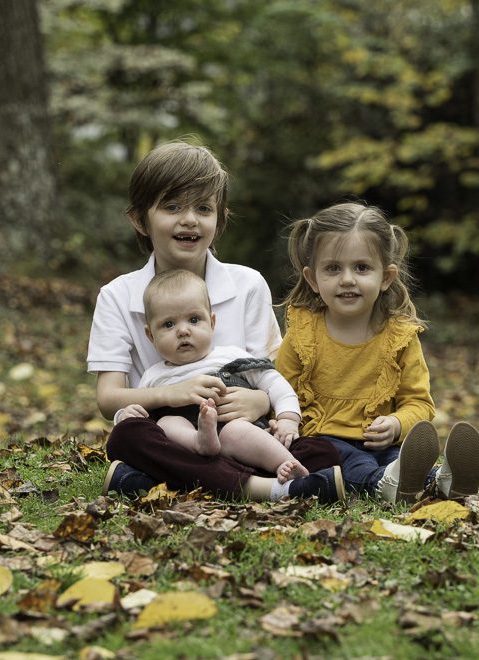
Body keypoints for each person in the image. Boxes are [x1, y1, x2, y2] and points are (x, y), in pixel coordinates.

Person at [88, 140, 342, 502]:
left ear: (220, 219)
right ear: (139, 220)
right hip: (172, 437)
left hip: (241, 432)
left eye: (203, 208)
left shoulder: (247, 284)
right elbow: (108, 398)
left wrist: (258, 402)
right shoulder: (118, 295)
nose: (189, 219)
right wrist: (171, 393)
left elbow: (271, 373)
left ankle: (147, 483)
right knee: (129, 437)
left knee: (323, 451)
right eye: (172, 206)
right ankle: (265, 488)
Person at [275, 201, 479, 503]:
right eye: (333, 268)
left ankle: (443, 480)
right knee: (350, 463)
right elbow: (280, 389)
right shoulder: (304, 332)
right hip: (323, 439)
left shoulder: (399, 337)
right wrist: (284, 420)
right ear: (312, 279)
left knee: (397, 458)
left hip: (380, 440)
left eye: (361, 268)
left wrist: (397, 424)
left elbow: (418, 403)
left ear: (386, 277)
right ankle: (381, 485)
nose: (347, 279)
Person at [115, 269, 308, 483]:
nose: (183, 331)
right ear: (151, 335)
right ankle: (201, 441)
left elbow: (275, 383)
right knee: (168, 422)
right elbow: (143, 419)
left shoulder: (230, 356)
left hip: (237, 437)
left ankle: (285, 464)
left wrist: (288, 418)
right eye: (169, 324)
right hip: (190, 450)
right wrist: (127, 414)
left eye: (194, 319)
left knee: (236, 431)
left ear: (212, 322)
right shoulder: (154, 376)